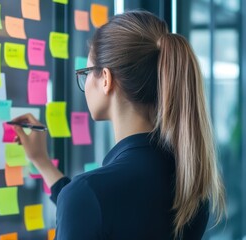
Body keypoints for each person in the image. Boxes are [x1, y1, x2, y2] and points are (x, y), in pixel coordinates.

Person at [12, 11, 226, 239]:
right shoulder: (191, 185)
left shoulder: (87, 194)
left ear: (106, 78)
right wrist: (42, 162)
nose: (85, 84)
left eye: (86, 73)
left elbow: (93, 204)